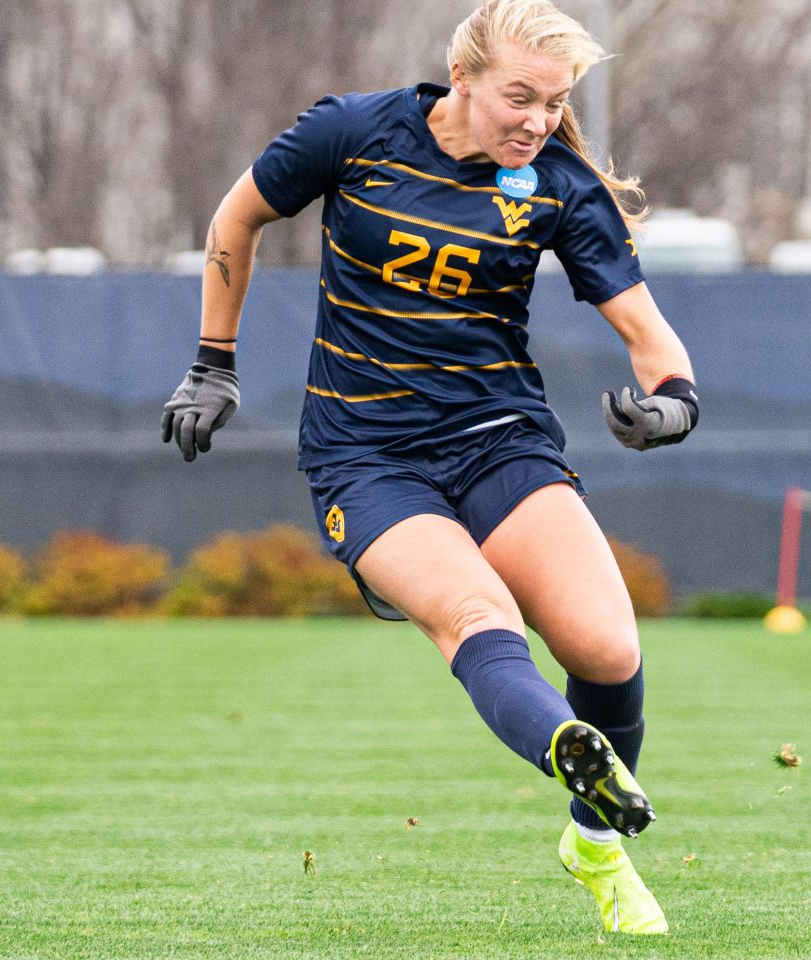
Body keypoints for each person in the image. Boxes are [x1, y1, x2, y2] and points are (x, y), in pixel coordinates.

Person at [160, 0, 696, 936]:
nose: (536, 121)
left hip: (499, 440)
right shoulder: (354, 133)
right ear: (463, 80)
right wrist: (213, 361)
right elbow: (236, 216)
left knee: (610, 652)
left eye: (554, 102)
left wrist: (672, 405)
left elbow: (651, 337)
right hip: (365, 456)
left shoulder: (559, 185)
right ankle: (565, 745)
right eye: (518, 98)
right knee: (476, 615)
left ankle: (593, 846)